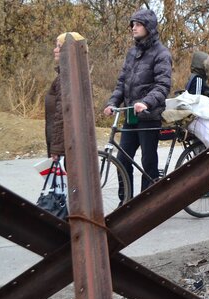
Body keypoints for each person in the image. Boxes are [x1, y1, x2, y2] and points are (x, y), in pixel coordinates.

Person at [103, 9, 172, 199]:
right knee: (123, 160)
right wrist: (112, 102)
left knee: (148, 161)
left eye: (138, 24)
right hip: (131, 115)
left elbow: (162, 86)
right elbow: (122, 82)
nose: (134, 28)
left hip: (149, 116)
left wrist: (146, 102)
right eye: (132, 24)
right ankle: (126, 201)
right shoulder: (132, 52)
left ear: (148, 27)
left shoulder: (161, 54)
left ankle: (148, 202)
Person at [45, 32, 86, 163]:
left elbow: (61, 114)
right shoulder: (69, 73)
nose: (55, 50)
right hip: (69, 143)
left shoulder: (67, 77)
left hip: (69, 145)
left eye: (59, 46)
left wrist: (56, 148)